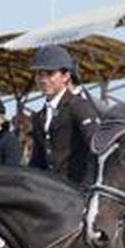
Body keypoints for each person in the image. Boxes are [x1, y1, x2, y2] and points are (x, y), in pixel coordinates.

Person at [27, 45, 100, 185]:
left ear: (66, 76)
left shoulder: (78, 106)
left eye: (50, 74)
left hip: (77, 189)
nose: (43, 80)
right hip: (51, 189)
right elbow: (37, 160)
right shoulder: (39, 117)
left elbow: (95, 149)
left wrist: (88, 186)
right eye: (39, 74)